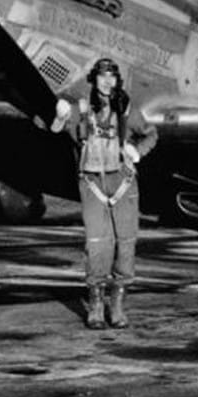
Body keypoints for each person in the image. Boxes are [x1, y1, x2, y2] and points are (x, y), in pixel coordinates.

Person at [51, 58, 158, 329]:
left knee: (125, 244)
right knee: (97, 244)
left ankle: (118, 304)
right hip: (93, 185)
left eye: (112, 76)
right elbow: (54, 128)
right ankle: (96, 303)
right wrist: (61, 115)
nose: (107, 81)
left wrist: (137, 152)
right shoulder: (82, 109)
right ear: (94, 79)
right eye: (102, 76)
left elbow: (151, 134)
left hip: (123, 183)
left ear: (117, 80)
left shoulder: (127, 109)